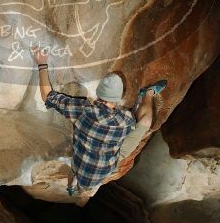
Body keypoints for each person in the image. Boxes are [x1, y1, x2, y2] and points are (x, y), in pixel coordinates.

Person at [31, 46, 165, 195]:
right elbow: (136, 124)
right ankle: (148, 93)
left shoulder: (82, 110)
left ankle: (72, 188)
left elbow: (47, 96)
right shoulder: (125, 119)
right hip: (104, 165)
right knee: (145, 122)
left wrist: (41, 63)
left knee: (76, 171)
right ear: (118, 97)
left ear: (98, 93)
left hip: (84, 163)